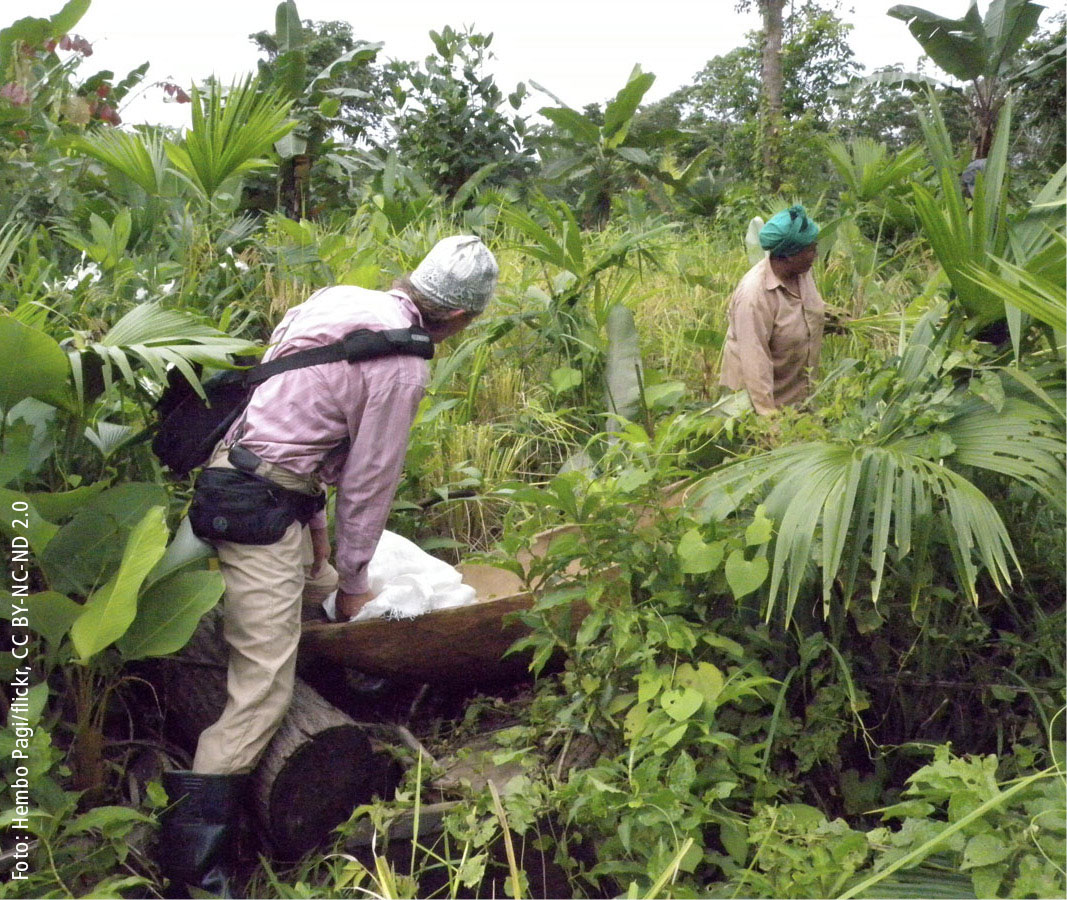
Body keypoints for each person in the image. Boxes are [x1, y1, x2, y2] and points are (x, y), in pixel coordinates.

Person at [157, 235, 498, 895]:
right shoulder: (404, 364)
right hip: (258, 508)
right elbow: (368, 485)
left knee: (310, 595)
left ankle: (338, 706)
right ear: (459, 319)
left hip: (249, 478)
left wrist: (320, 548)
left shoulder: (340, 299)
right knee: (261, 694)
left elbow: (288, 410)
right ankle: (195, 876)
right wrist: (352, 583)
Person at [719, 204, 825, 416]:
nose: (816, 254)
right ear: (789, 256)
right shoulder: (754, 297)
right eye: (811, 250)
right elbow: (755, 367)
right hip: (757, 405)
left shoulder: (802, 273)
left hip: (798, 398)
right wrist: (769, 421)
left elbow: (800, 313)